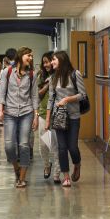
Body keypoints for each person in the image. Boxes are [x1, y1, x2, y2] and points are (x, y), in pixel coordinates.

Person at [0, 46, 39, 188]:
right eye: (29, 55)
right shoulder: (7, 72)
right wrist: (0, 110)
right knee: (9, 146)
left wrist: (35, 116)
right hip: (10, 113)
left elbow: (34, 96)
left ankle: (22, 178)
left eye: (32, 56)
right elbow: (2, 93)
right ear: (21, 56)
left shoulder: (32, 74)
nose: (31, 58)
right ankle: (16, 167)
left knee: (24, 145)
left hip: (26, 113)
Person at [45, 50, 86, 187]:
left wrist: (67, 99)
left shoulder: (75, 74)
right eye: (51, 60)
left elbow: (83, 95)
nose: (51, 62)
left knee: (72, 147)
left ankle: (77, 164)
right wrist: (47, 120)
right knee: (62, 148)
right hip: (59, 117)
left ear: (61, 60)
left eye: (54, 59)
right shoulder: (52, 78)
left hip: (73, 116)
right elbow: (51, 99)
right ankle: (66, 176)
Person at [37, 51, 59, 182]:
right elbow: (38, 94)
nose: (46, 64)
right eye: (44, 62)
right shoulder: (41, 76)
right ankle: (47, 165)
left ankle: (57, 174)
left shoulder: (61, 75)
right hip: (44, 113)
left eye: (48, 61)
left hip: (58, 115)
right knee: (44, 145)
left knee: (56, 145)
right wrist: (48, 84)